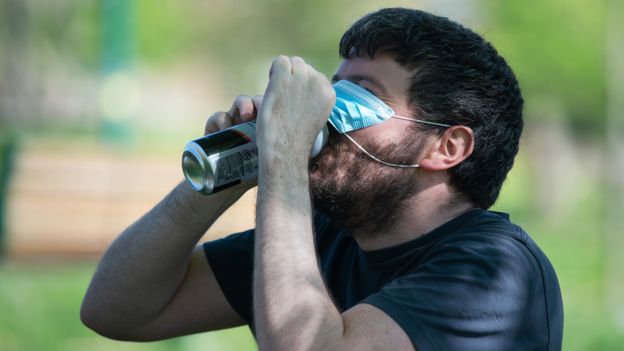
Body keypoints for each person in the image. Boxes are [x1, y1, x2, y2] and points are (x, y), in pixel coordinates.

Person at [81, 7, 563, 351]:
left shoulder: (496, 271)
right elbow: (116, 308)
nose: (328, 115)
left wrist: (284, 161)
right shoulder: (324, 239)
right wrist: (225, 174)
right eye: (334, 93)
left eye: (360, 100)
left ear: (446, 147)